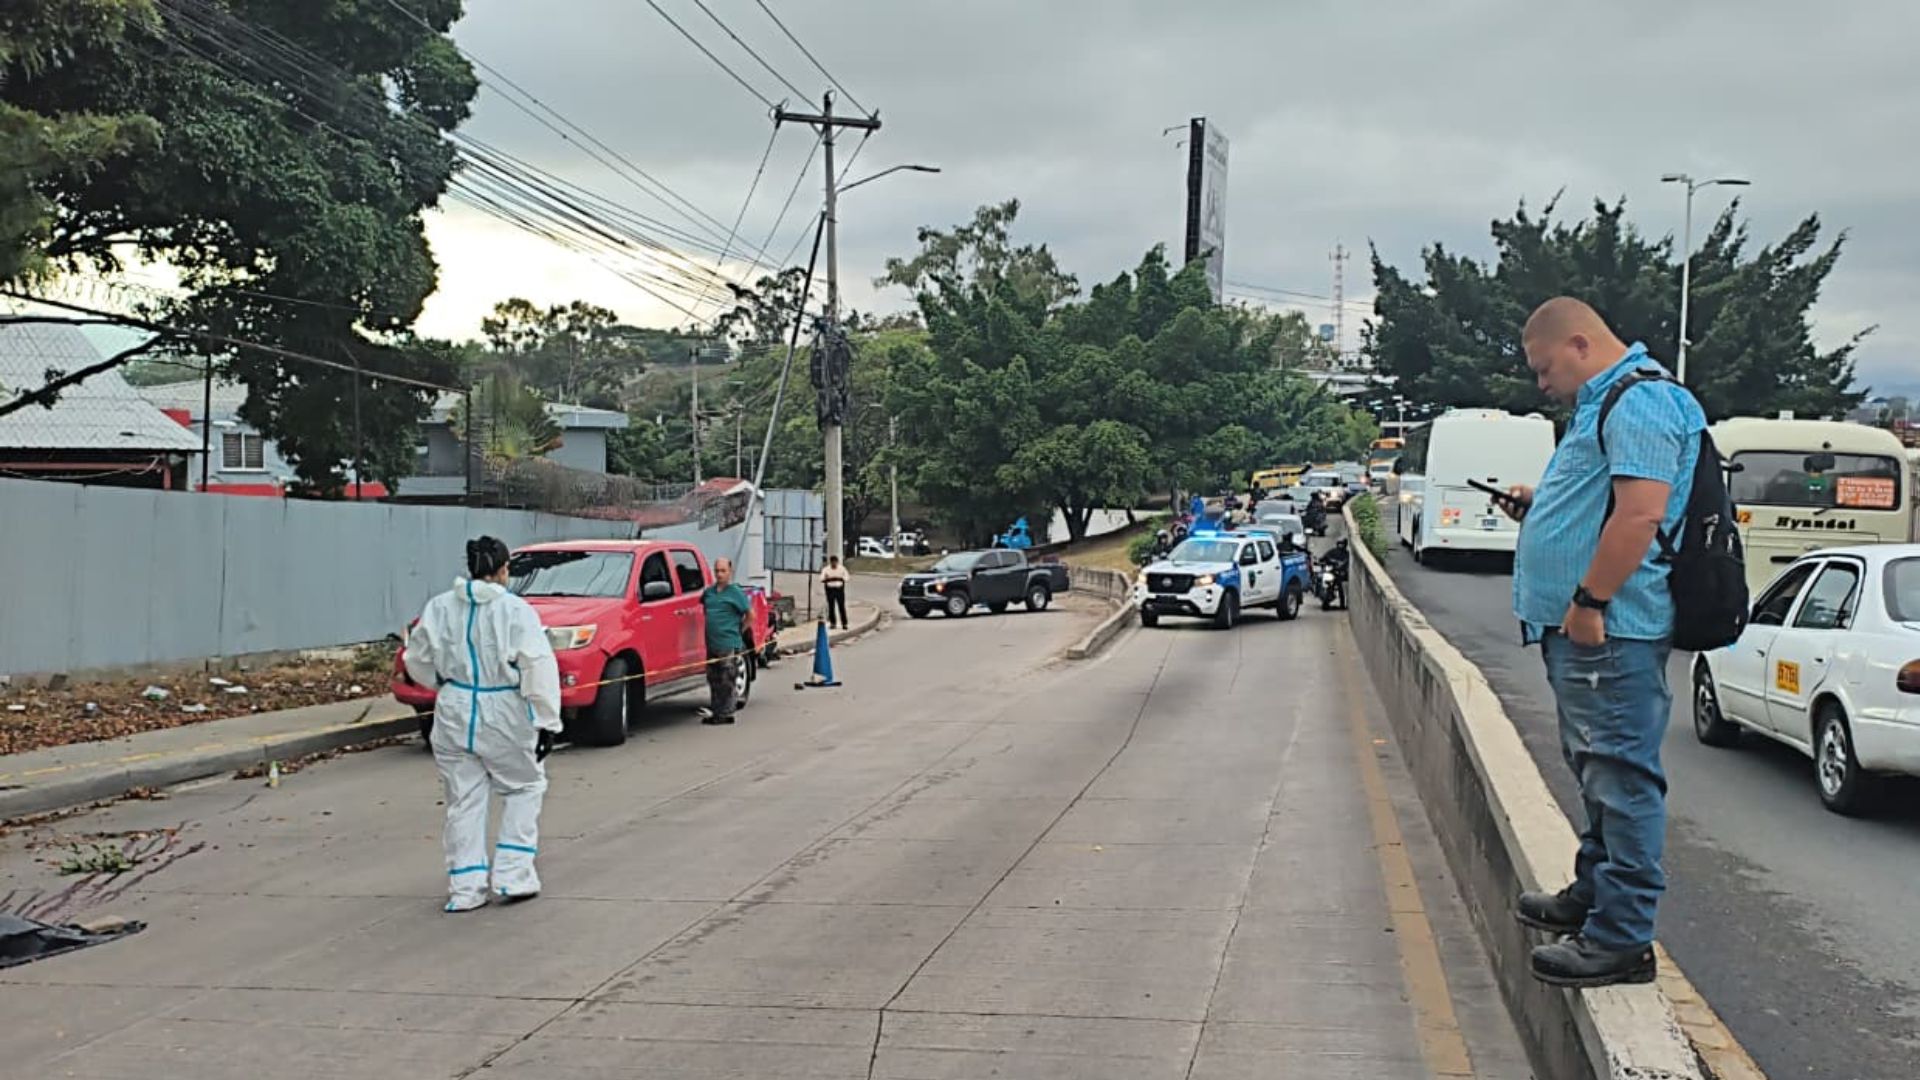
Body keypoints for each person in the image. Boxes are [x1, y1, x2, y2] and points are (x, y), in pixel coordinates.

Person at [1502, 297, 1706, 988]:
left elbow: (1645, 512)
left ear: (1580, 344)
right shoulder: (1603, 402)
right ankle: (1593, 896)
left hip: (1613, 630)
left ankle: (1622, 940)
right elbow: (1608, 503)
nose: (1541, 384)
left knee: (1620, 778)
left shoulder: (1641, 400)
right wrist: (1542, 506)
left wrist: (1590, 602)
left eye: (1544, 367)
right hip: (1588, 631)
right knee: (1596, 771)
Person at [404, 536, 562, 913]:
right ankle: (513, 873)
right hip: (503, 706)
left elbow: (417, 658)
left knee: (464, 800)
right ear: (503, 569)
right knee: (524, 786)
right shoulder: (515, 611)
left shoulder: (439, 607)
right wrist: (547, 721)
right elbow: (537, 667)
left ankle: (466, 886)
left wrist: (442, 684)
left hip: (455, 707)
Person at [701, 556, 754, 726]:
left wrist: (739, 630)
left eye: (723, 571)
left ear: (730, 572)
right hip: (712, 643)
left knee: (726, 678)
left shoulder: (735, 593)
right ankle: (716, 711)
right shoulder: (709, 593)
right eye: (717, 571)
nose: (719, 574)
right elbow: (704, 609)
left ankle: (726, 713)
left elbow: (750, 615)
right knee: (713, 677)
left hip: (728, 643)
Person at [821, 554, 850, 630]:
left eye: (835, 562)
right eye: (832, 562)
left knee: (841, 607)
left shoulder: (842, 569)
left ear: (837, 562)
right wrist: (828, 579)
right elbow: (821, 578)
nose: (834, 564)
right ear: (830, 562)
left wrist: (840, 578)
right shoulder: (826, 569)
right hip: (830, 589)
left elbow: (847, 578)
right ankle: (833, 623)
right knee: (831, 607)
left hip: (839, 589)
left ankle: (844, 623)